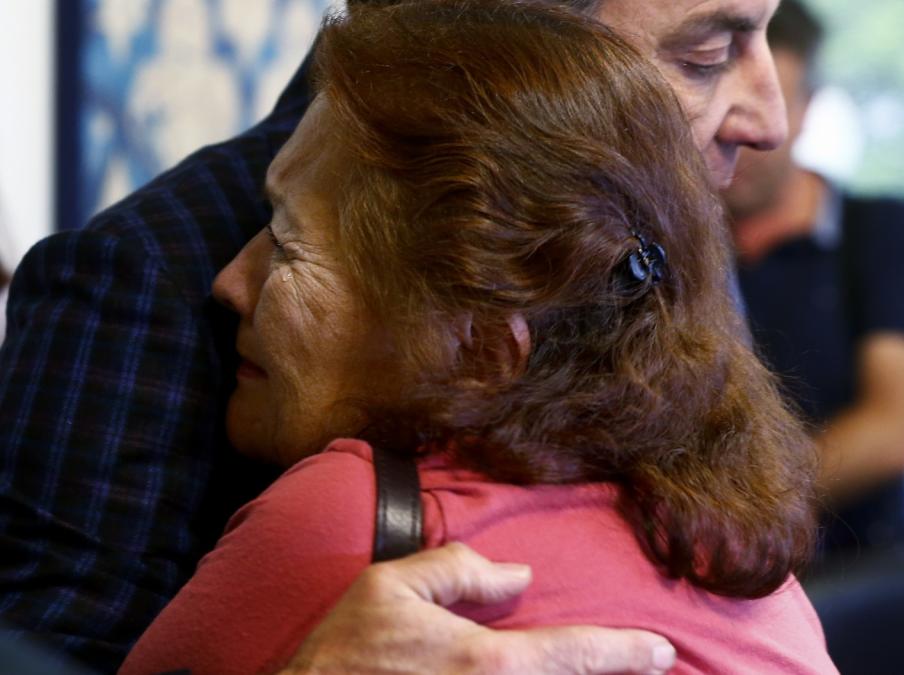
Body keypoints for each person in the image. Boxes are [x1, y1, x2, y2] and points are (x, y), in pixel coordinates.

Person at [0, 0, 788, 671]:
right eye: (704, 55)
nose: (771, 119)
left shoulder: (673, 262)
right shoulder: (136, 277)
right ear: (500, 44)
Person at [722, 0, 904, 557]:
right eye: (720, 97)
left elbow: (892, 431)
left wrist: (737, 507)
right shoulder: (668, 249)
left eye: (772, 99)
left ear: (805, 109)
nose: (747, 129)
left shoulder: (880, 230)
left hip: (861, 568)